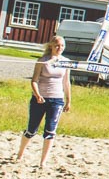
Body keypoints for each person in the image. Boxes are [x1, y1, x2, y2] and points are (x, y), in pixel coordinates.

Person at [14, 34, 71, 170]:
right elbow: (34, 80)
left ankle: (43, 162)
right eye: (57, 45)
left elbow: (66, 82)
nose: (59, 48)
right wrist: (37, 94)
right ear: (51, 46)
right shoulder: (43, 61)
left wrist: (68, 100)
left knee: (50, 130)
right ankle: (20, 154)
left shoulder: (65, 62)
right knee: (31, 129)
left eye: (62, 45)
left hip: (57, 99)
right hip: (40, 99)